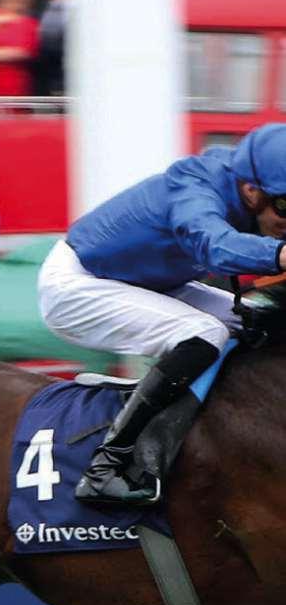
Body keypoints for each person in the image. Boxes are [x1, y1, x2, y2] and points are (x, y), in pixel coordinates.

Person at [38, 123, 286, 507]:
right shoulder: (195, 189)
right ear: (252, 191)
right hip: (78, 285)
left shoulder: (246, 184)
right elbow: (213, 245)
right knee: (204, 333)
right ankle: (106, 466)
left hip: (147, 282)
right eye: (285, 206)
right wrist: (280, 255)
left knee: (255, 321)